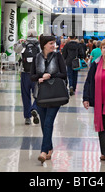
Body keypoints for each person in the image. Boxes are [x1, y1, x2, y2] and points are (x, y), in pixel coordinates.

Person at [30, 34, 67, 163]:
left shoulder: (58, 56)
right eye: (51, 43)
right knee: (44, 123)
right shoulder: (37, 58)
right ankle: (49, 148)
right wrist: (39, 78)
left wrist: (50, 75)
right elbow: (32, 76)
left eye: (54, 43)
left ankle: (43, 151)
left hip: (55, 95)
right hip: (41, 94)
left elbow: (64, 74)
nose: (53, 46)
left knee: (48, 122)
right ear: (44, 45)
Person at [14, 30, 40, 125]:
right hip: (36, 74)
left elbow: (15, 50)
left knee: (25, 95)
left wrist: (19, 42)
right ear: (36, 36)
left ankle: (27, 118)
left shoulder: (23, 44)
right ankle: (35, 108)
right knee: (38, 94)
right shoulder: (38, 45)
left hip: (25, 73)